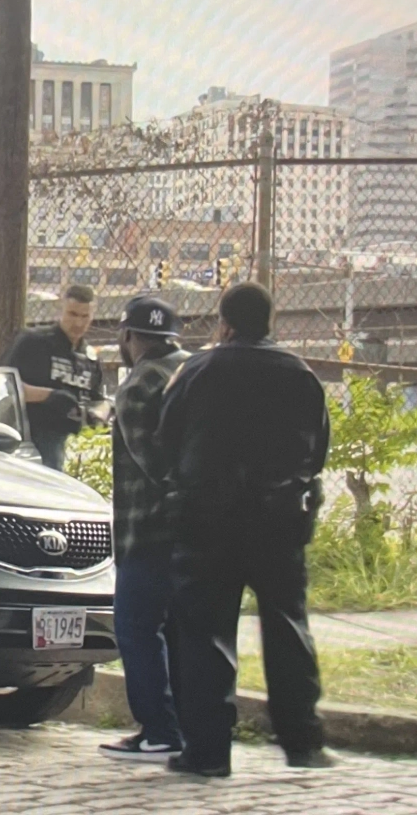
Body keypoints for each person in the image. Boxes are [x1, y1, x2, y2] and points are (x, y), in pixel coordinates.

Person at [155, 282, 333, 777]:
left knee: (204, 633)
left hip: (206, 521)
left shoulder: (197, 371)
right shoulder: (300, 374)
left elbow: (166, 437)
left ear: (225, 322)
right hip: (278, 520)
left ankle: (208, 751)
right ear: (270, 322)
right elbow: (318, 450)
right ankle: (302, 741)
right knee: (287, 626)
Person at [98, 296, 190, 764]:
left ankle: (158, 730)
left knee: (135, 627)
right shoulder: (193, 371)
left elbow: (154, 464)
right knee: (180, 631)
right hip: (197, 533)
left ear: (130, 338)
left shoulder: (136, 387)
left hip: (148, 531)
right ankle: (189, 728)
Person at [2, 284, 108, 469]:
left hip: (76, 444)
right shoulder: (33, 342)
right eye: (72, 314)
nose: (78, 323)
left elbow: (98, 399)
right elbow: (2, 385)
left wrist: (99, 413)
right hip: (30, 440)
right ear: (61, 309)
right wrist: (49, 396)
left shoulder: (89, 357)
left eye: (85, 316)